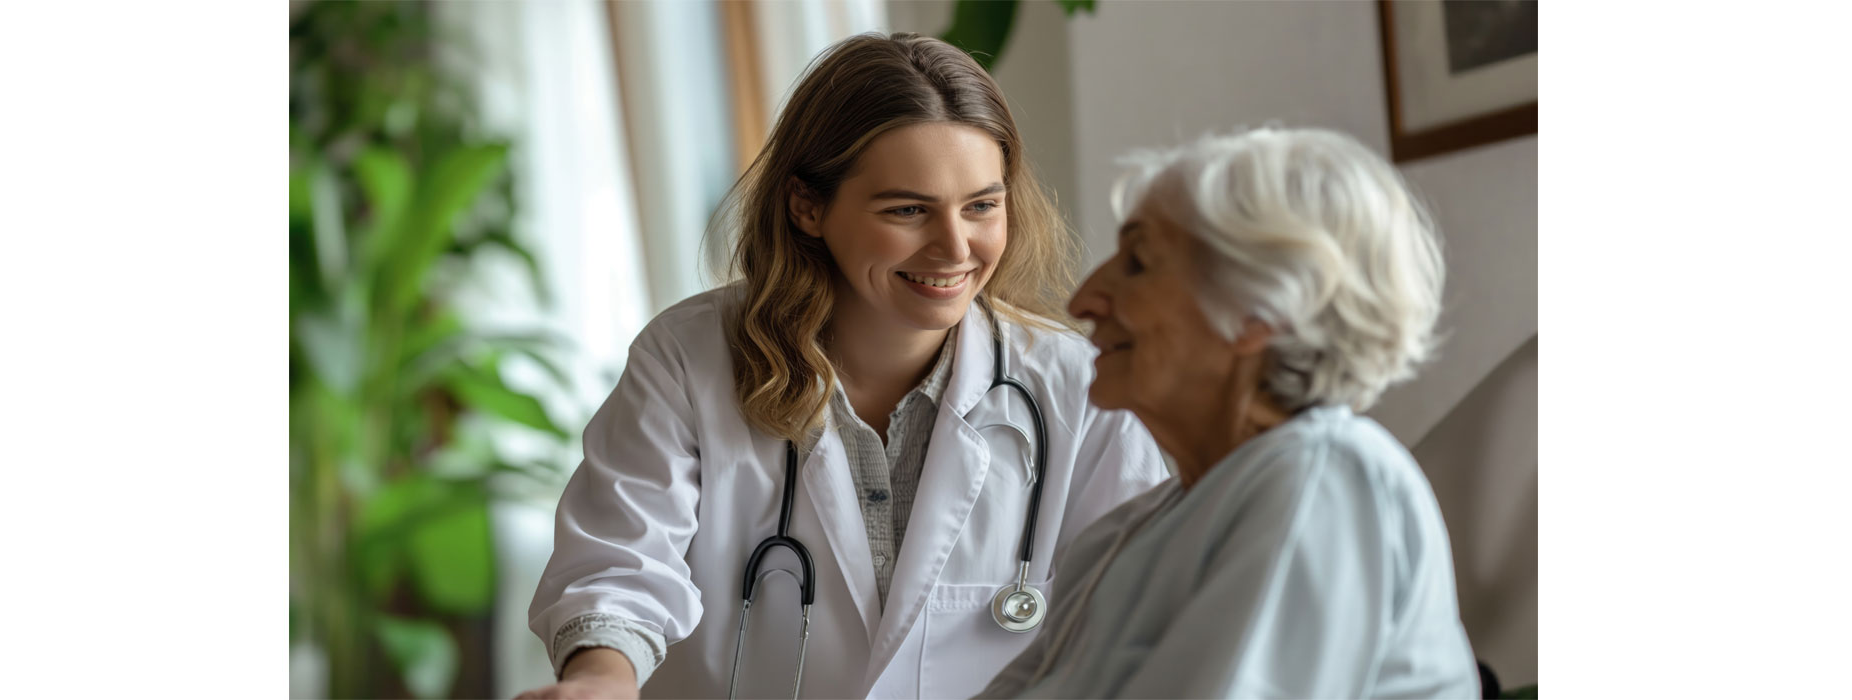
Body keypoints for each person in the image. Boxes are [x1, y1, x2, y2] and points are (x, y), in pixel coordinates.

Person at [516, 33, 1166, 700]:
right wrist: (601, 677)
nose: (954, 247)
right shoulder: (688, 359)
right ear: (808, 206)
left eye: (981, 205)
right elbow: (623, 560)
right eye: (908, 210)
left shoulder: (1078, 385)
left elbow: (1143, 607)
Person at [974, 127, 1478, 698]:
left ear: (1260, 313)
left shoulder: (1322, 477)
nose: (1084, 298)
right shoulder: (1133, 529)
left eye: (1137, 263)